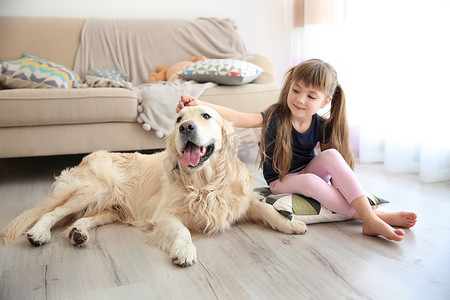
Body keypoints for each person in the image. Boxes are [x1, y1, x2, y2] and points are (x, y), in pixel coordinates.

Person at [176, 58, 417, 242]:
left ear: (325, 102)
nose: (300, 99)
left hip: (309, 174)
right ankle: (373, 218)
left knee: (331, 155)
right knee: (311, 181)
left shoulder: (321, 125)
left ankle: (369, 218)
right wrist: (200, 104)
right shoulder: (275, 116)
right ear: (289, 87)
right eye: (296, 90)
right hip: (282, 181)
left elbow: (333, 168)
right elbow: (239, 117)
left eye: (311, 96)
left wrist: (337, 185)